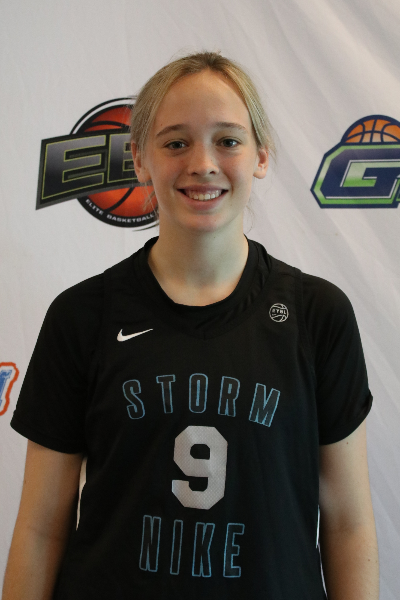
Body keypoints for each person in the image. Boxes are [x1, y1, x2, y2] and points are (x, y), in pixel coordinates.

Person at [2, 51, 379, 600]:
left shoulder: (318, 315)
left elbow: (347, 523)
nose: (202, 163)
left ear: (261, 155)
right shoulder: (82, 316)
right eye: (176, 143)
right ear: (139, 159)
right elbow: (40, 528)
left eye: (227, 140)